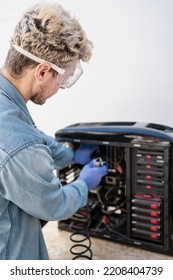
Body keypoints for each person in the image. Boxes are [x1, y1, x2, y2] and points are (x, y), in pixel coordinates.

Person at [0, 2, 108, 259]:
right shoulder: (19, 144)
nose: (61, 87)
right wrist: (84, 183)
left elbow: (27, 138)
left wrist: (69, 156)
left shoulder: (7, 106)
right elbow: (54, 204)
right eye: (64, 78)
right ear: (43, 71)